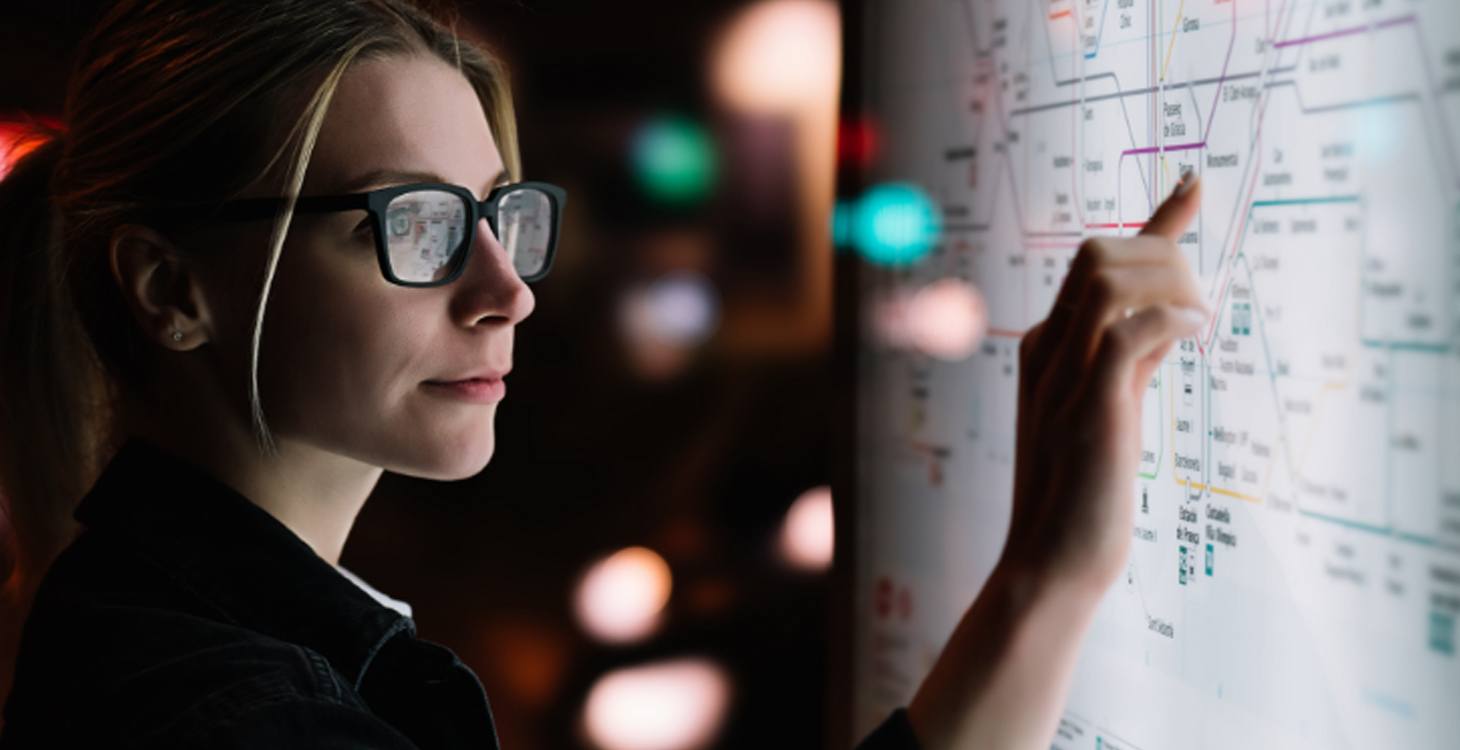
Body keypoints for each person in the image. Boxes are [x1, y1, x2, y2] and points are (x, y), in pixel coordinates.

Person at [0, 0, 1210, 747]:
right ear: (172, 289)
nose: (505, 288)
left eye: (499, 216)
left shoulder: (157, 627)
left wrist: (1048, 576)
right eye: (414, 224)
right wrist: (1052, 575)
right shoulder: (237, 716)